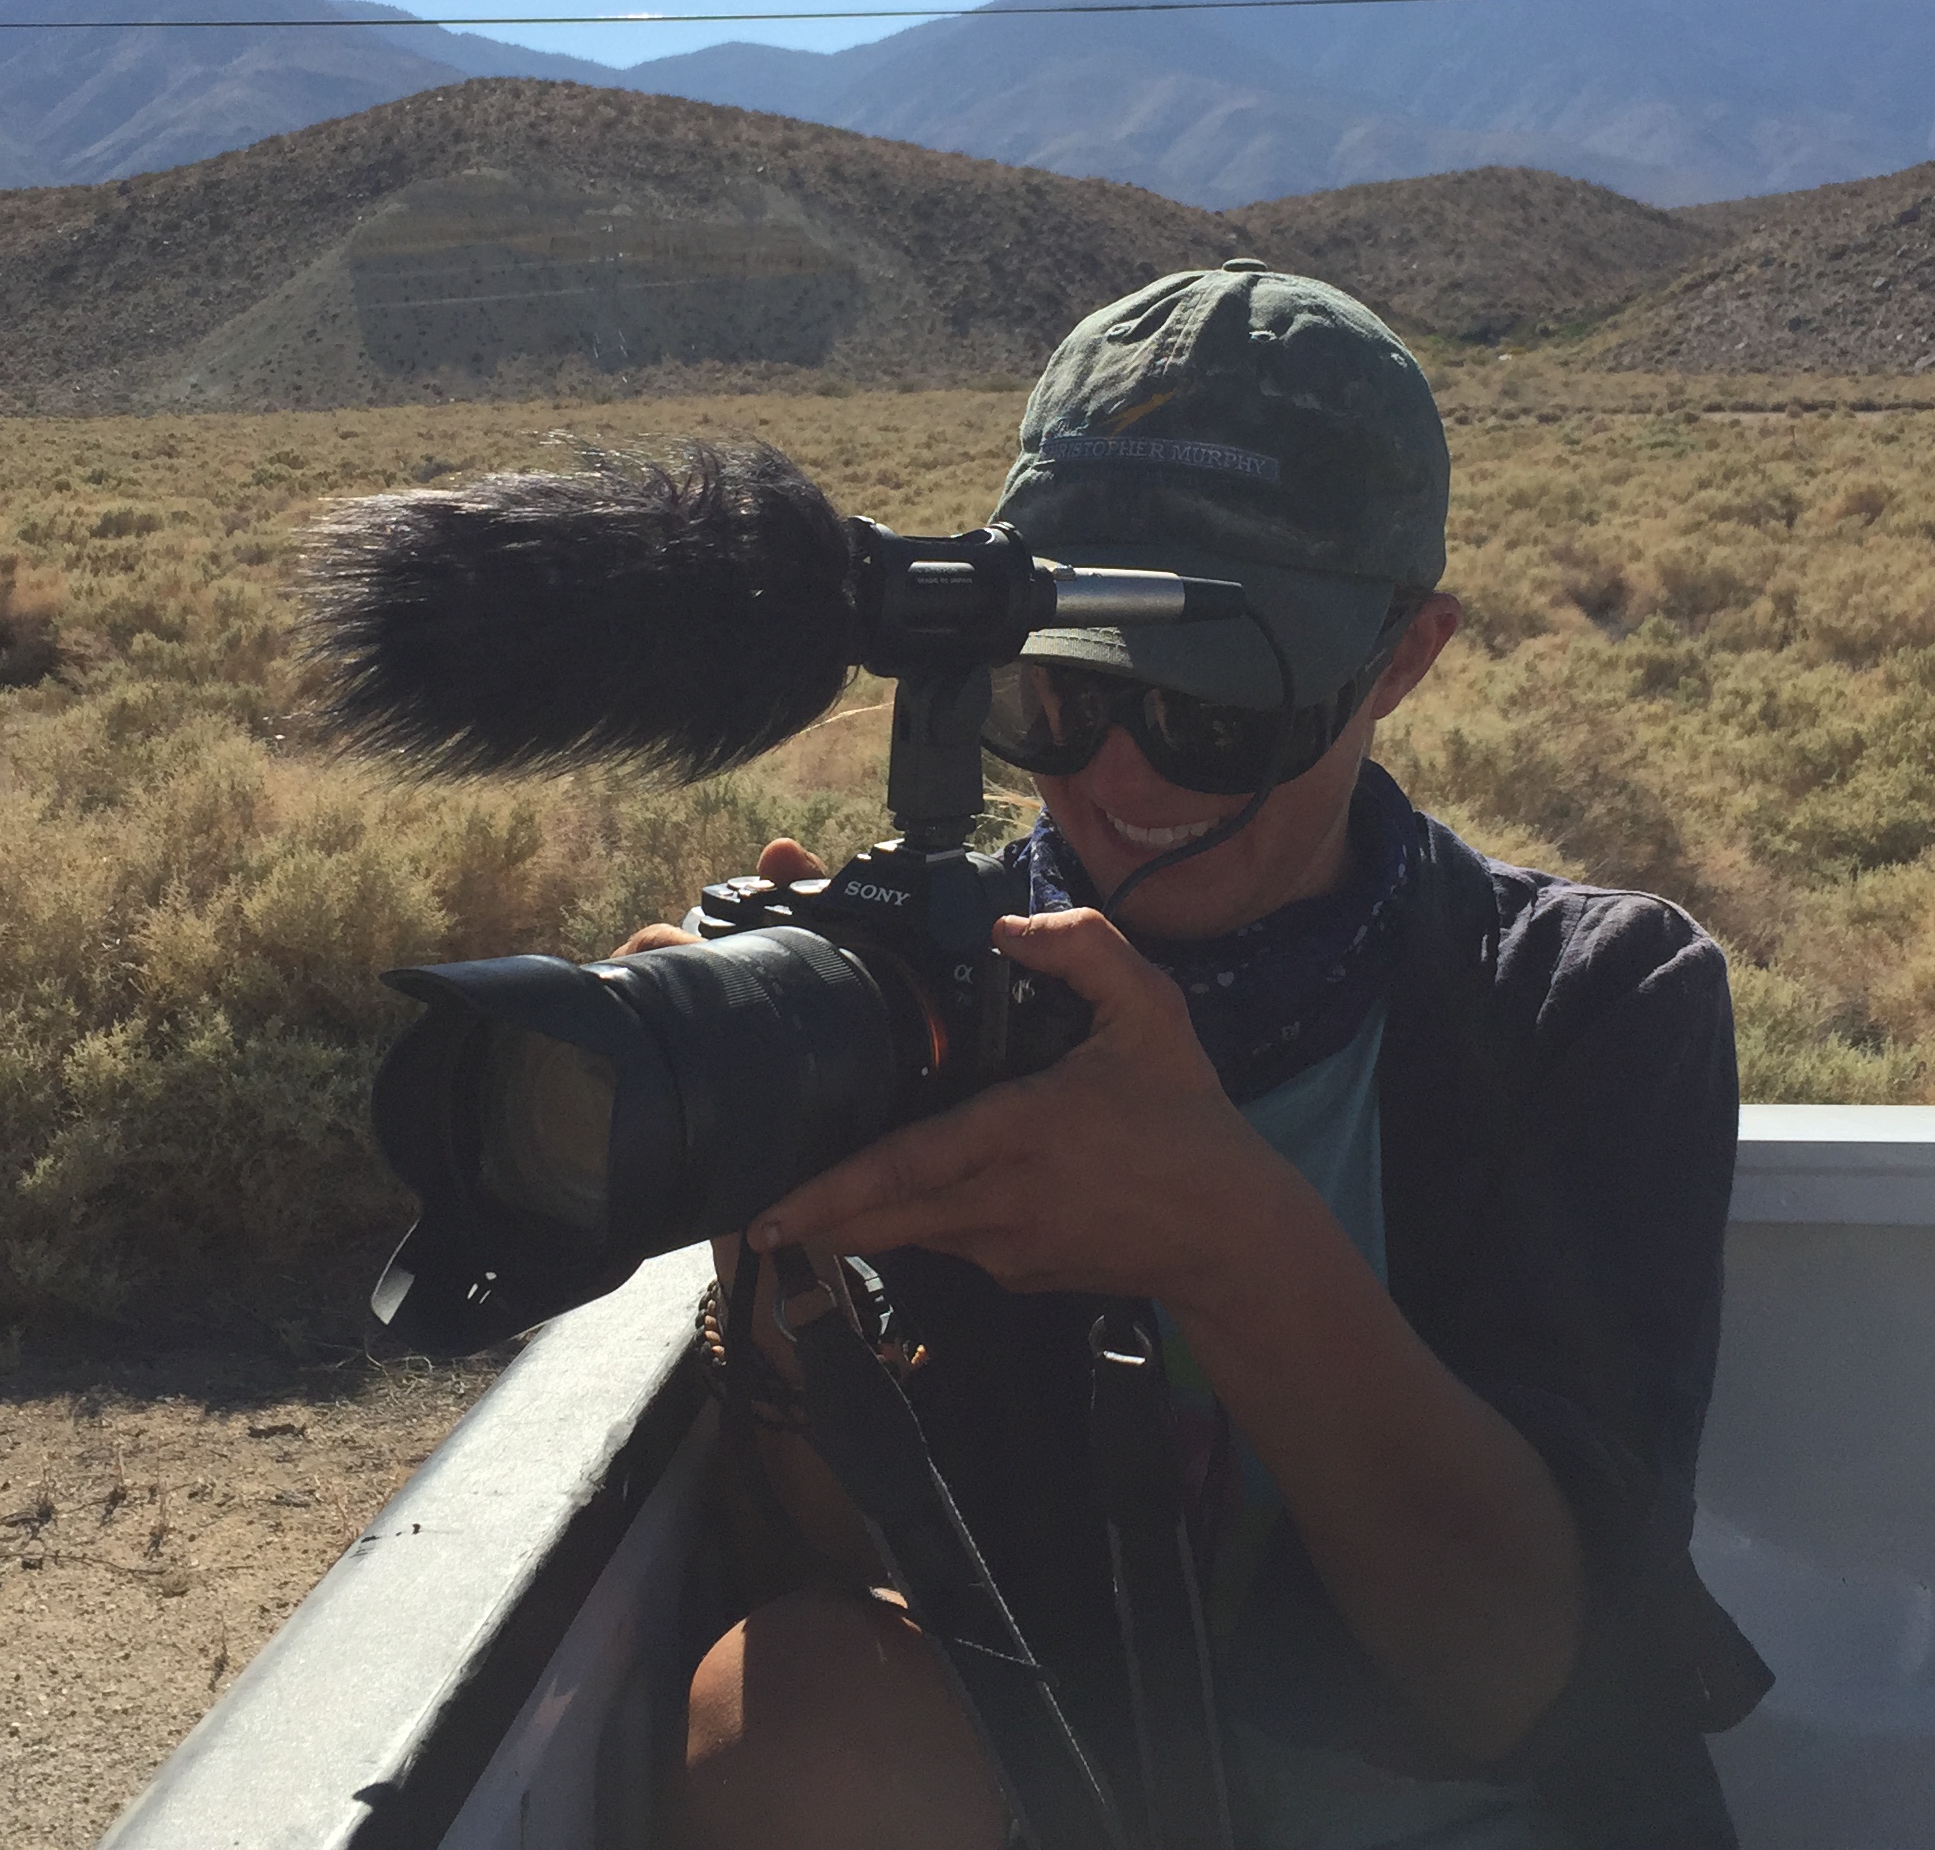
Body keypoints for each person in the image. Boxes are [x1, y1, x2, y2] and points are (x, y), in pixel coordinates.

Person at [634, 262, 1752, 1850]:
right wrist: (768, 1214)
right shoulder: (931, 1001)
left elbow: (1522, 1677)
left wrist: (1226, 1241)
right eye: (1060, 691)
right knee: (794, 1707)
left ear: (1405, 656)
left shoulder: (1587, 1005)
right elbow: (835, 1558)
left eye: (1221, 707)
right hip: (1085, 1792)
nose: (1123, 774)